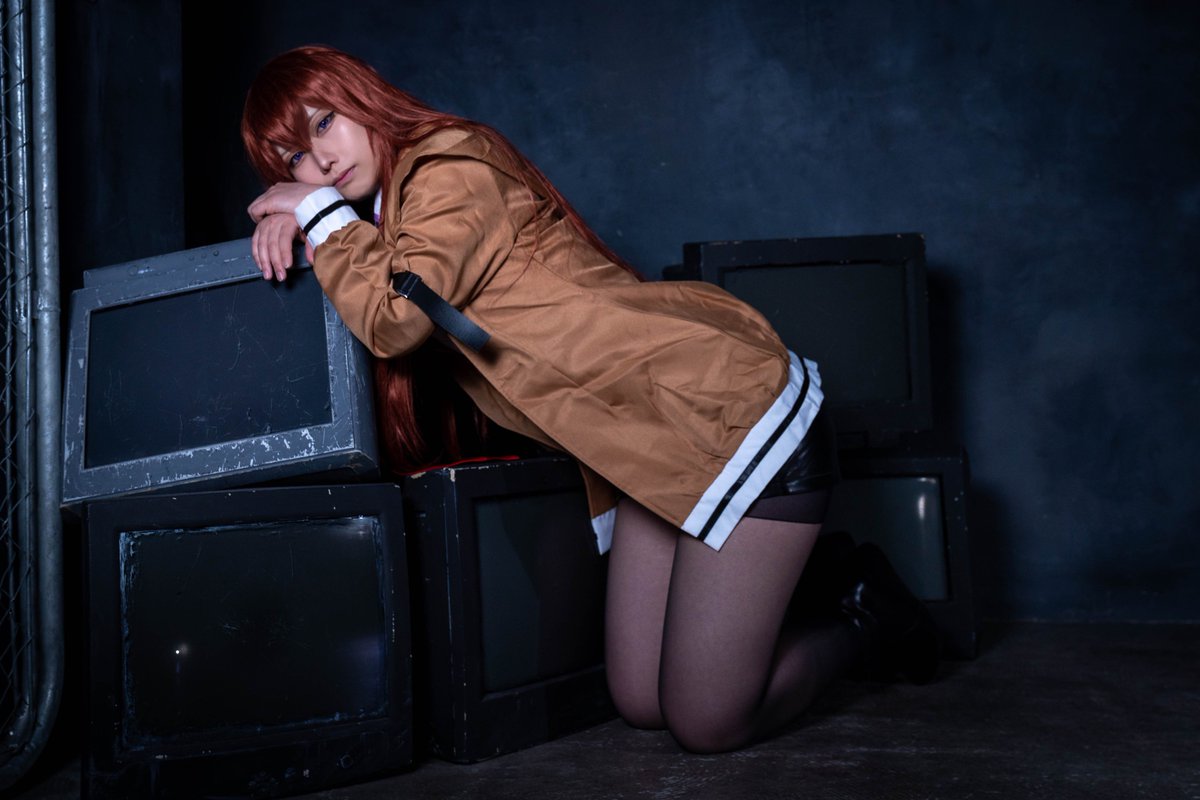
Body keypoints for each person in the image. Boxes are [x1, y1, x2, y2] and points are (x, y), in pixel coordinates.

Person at [242, 45, 938, 754]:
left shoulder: (449, 165)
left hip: (727, 414)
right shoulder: (387, 223)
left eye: (324, 123)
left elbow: (398, 317)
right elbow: (390, 284)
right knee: (641, 700)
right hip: (646, 445)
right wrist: (311, 224)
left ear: (363, 98)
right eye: (295, 159)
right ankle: (778, 592)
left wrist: (317, 213)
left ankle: (862, 612)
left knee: (707, 722)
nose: (321, 161)